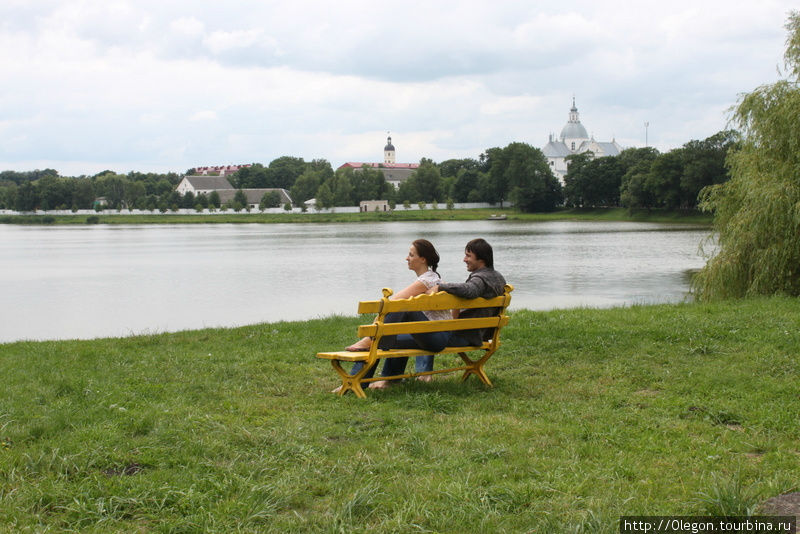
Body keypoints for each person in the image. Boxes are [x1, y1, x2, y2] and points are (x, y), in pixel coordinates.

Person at [337, 239, 451, 391]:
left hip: (437, 338)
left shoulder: (426, 280)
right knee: (385, 339)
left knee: (403, 309)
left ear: (422, 259)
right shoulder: (432, 278)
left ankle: (359, 372)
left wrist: (376, 325)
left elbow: (394, 302)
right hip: (434, 336)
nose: (406, 258)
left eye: (411, 255)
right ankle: (366, 382)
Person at [431, 238, 507, 347]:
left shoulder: (481, 279)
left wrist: (440, 287)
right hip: (479, 335)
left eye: (468, 256)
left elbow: (470, 290)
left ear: (481, 259)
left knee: (401, 339)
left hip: (465, 337)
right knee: (420, 336)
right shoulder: (498, 278)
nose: (464, 259)